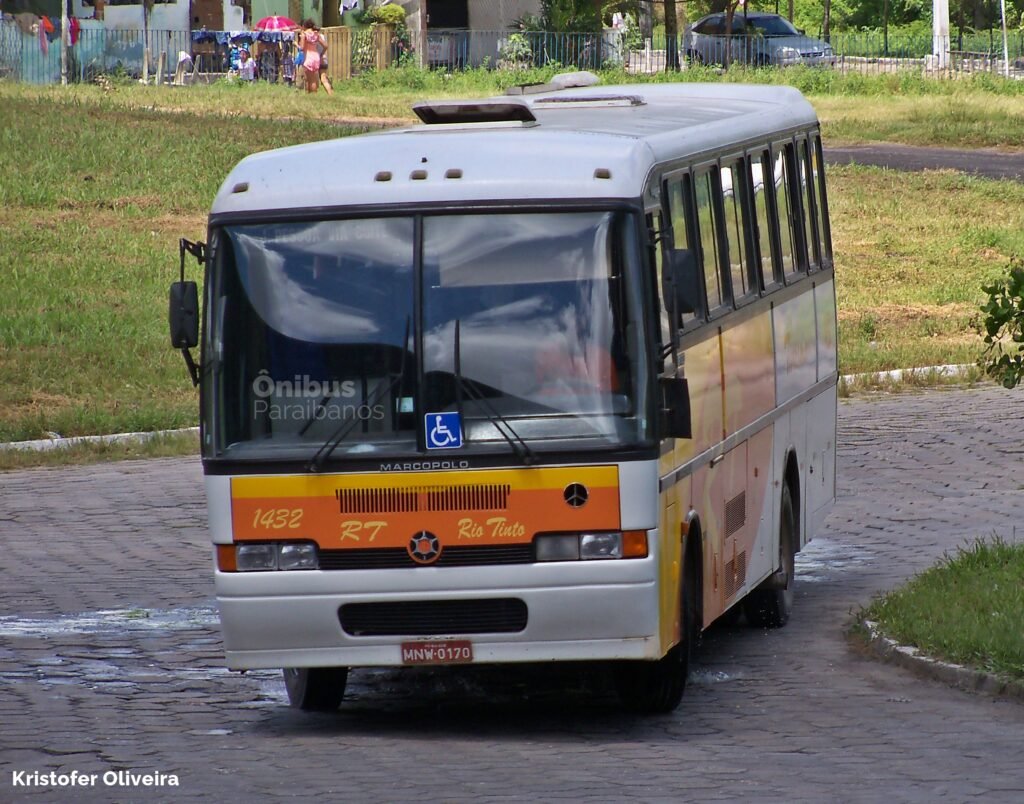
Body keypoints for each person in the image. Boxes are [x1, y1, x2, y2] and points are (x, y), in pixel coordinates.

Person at [300, 19, 325, 94]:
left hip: (309, 57)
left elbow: (302, 47)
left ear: (304, 26)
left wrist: (298, 43)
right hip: (316, 56)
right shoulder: (316, 34)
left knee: (308, 79)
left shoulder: (304, 34)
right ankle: (312, 95)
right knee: (313, 78)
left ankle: (312, 94)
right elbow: (325, 45)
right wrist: (321, 54)